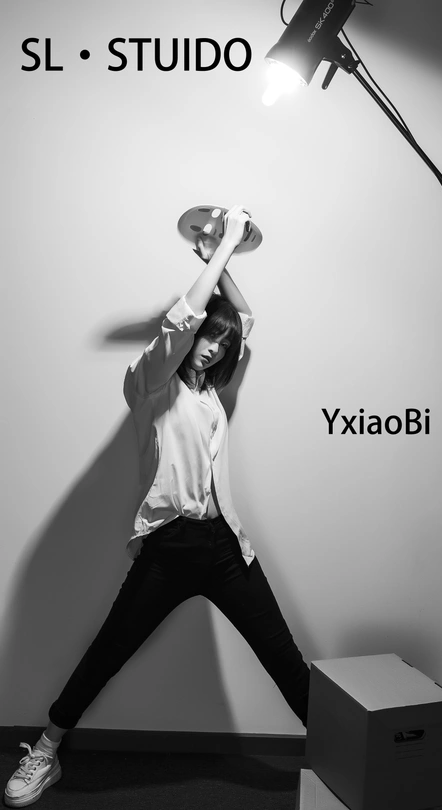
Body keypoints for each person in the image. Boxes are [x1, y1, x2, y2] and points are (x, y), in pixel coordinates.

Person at [4, 205, 311, 807]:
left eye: (221, 342)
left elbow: (245, 319)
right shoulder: (149, 384)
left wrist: (217, 259)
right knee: (107, 652)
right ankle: (45, 751)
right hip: (169, 549)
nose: (211, 348)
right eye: (206, 336)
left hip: (225, 549)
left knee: (285, 660)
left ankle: (355, 755)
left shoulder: (211, 393)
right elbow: (181, 323)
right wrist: (223, 247)